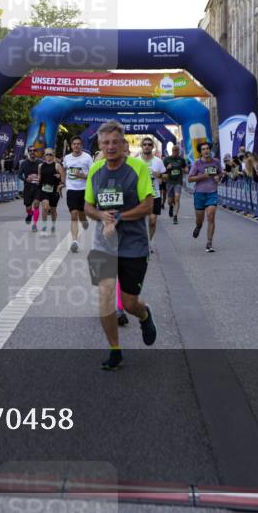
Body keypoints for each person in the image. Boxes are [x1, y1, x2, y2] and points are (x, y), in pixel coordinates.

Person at [83, 120, 157, 371]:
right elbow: (88, 206)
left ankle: (145, 315)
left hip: (133, 245)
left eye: (115, 142)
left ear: (124, 144)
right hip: (103, 244)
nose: (111, 147)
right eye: (105, 143)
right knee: (105, 297)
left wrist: (119, 218)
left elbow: (148, 206)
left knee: (128, 303)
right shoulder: (95, 169)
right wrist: (102, 217)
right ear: (100, 145)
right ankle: (115, 350)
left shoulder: (137, 168)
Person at [188, 141, 224, 253]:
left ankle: (209, 242)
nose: (206, 151)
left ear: (210, 150)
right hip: (199, 194)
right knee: (200, 220)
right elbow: (190, 178)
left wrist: (218, 177)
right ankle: (198, 227)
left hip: (212, 192)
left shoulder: (216, 162)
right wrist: (203, 176)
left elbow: (220, 173)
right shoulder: (197, 163)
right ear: (200, 152)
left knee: (211, 215)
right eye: (203, 149)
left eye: (207, 148)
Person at [62, 136, 93, 253]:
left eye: (78, 144)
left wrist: (82, 176)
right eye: (74, 144)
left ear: (82, 145)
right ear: (71, 145)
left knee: (81, 213)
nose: (76, 146)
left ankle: (84, 220)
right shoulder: (67, 158)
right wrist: (62, 182)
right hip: (71, 190)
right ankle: (75, 241)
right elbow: (64, 170)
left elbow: (93, 174)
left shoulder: (87, 158)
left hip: (84, 190)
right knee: (74, 214)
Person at [138, 137, 166, 251]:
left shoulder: (158, 161)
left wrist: (158, 175)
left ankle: (149, 242)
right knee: (140, 222)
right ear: (141, 146)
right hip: (140, 196)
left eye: (149, 144)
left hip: (155, 195)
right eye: (145, 144)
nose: (147, 146)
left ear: (152, 147)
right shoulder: (137, 161)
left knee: (152, 220)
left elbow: (166, 176)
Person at [37, 147, 65, 235]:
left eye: (50, 154)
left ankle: (53, 224)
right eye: (46, 154)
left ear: (53, 155)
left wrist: (60, 182)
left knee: (53, 210)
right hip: (43, 189)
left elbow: (63, 179)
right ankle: (44, 226)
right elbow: (39, 177)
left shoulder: (57, 165)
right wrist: (36, 180)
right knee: (45, 207)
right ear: (44, 156)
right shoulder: (40, 166)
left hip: (54, 190)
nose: (48, 156)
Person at [18, 146, 42, 231]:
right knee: (28, 208)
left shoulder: (40, 163)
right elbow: (19, 175)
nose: (32, 152)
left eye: (34, 150)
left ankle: (34, 225)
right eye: (30, 150)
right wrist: (26, 179)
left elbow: (45, 173)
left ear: (36, 152)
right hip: (28, 188)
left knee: (36, 205)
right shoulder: (24, 163)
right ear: (28, 152)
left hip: (38, 187)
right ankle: (30, 214)